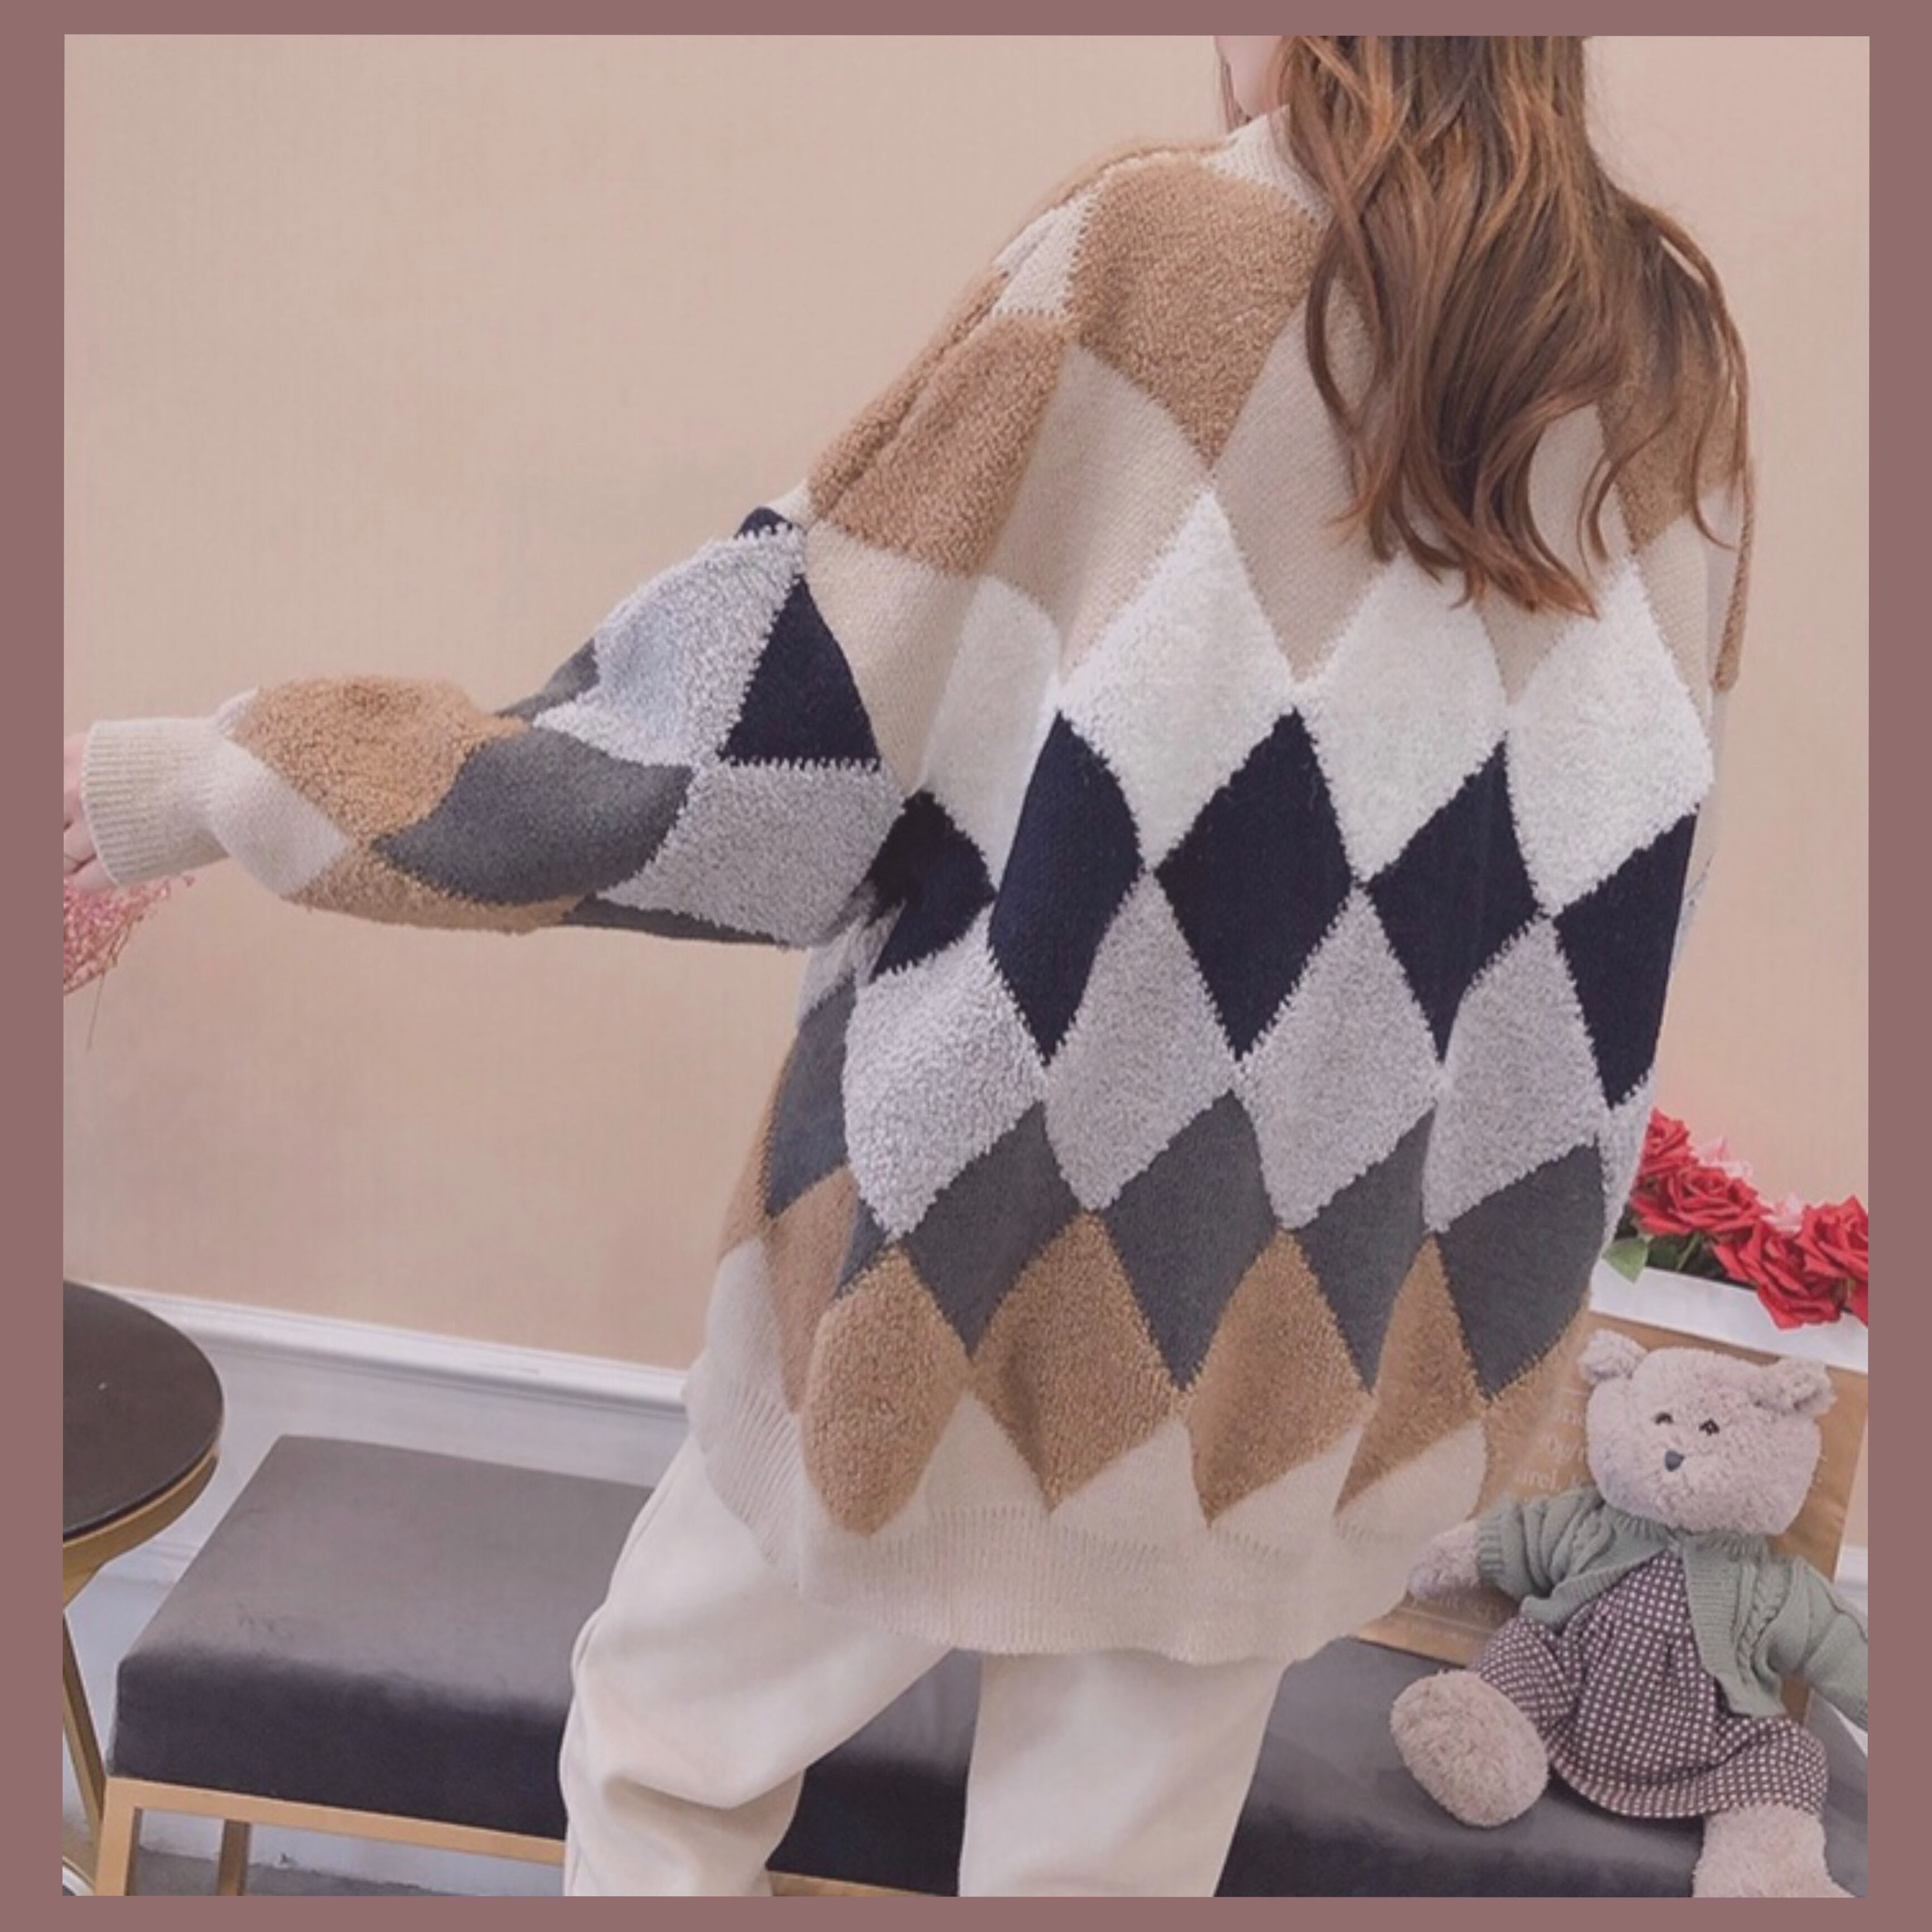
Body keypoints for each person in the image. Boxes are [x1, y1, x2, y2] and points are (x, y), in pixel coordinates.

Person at [62, 36, 1751, 1897]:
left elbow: (745, 747)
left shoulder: (1163, 256)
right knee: (1099, 1880)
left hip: (964, 1274)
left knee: (664, 1765)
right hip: (1315, 1355)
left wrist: (225, 779)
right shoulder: (1669, 356)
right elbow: (1600, 939)